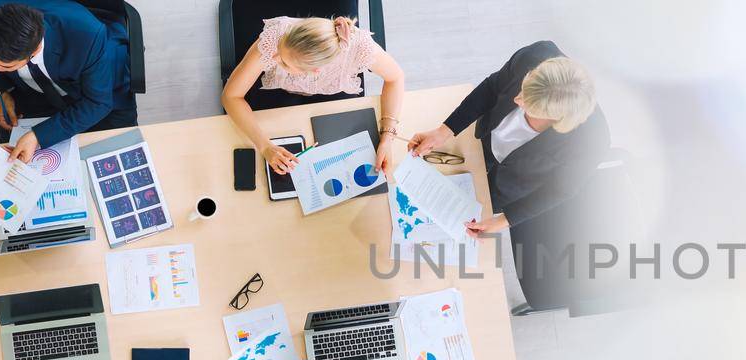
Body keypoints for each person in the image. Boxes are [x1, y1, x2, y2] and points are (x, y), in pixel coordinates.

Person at [407, 41, 610, 239]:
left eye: (529, 106)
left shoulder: (592, 141)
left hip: (513, 181)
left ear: (558, 119)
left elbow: (561, 189)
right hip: (482, 141)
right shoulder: (536, 55)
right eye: (524, 89)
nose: (517, 100)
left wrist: (504, 220)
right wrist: (445, 130)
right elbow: (491, 88)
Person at [222, 16, 407, 175]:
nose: (275, 59)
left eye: (284, 63)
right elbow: (230, 96)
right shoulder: (276, 39)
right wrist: (264, 146)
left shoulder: (361, 47)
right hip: (280, 99)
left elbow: (396, 77)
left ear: (313, 71)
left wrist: (387, 137)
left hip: (330, 106)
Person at [0, 0, 137, 164]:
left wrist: (38, 136)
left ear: (34, 51)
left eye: (5, 64)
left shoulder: (88, 36)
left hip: (96, 87)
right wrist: (2, 91)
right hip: (29, 91)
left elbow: (98, 103)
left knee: (113, 157)